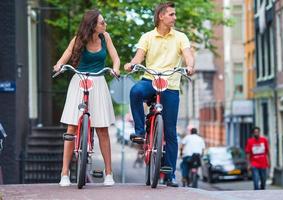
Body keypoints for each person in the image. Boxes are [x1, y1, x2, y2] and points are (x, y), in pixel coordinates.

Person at [124, 2, 195, 187]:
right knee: (135, 92)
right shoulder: (147, 37)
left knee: (171, 133)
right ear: (161, 17)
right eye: (171, 14)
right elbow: (139, 57)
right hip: (150, 80)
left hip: (170, 85)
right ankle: (140, 131)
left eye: (175, 14)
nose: (175, 17)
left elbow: (188, 55)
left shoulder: (181, 37)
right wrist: (132, 64)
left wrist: (189, 66)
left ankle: (170, 175)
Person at [53, 9, 120, 187]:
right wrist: (59, 64)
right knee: (71, 127)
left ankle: (108, 173)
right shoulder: (78, 39)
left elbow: (115, 57)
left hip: (98, 82)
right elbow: (67, 53)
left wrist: (116, 68)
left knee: (103, 130)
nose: (105, 25)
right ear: (92, 25)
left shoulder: (106, 38)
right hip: (80, 80)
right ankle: (64, 173)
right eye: (102, 22)